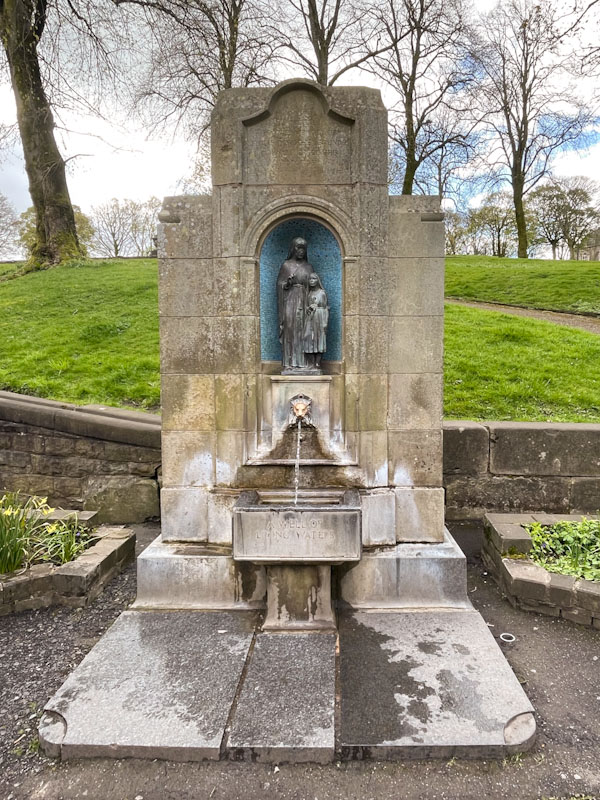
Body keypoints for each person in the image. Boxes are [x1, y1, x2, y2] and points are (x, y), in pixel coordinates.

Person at [276, 237, 313, 371]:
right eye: (298, 248)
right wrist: (287, 283)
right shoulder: (286, 265)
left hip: (304, 301)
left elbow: (314, 285)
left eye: (303, 248)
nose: (301, 251)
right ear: (293, 249)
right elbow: (280, 285)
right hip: (290, 300)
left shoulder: (309, 267)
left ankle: (304, 362)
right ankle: (289, 362)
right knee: (290, 329)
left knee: (304, 330)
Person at [303, 273, 328, 370]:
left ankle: (317, 364)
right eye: (310, 279)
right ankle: (311, 363)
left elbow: (325, 308)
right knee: (308, 338)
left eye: (314, 279)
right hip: (310, 319)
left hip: (320, 318)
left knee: (319, 339)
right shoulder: (309, 293)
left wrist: (325, 322)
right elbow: (307, 306)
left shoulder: (322, 293)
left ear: (317, 280)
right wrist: (308, 308)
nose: (311, 281)